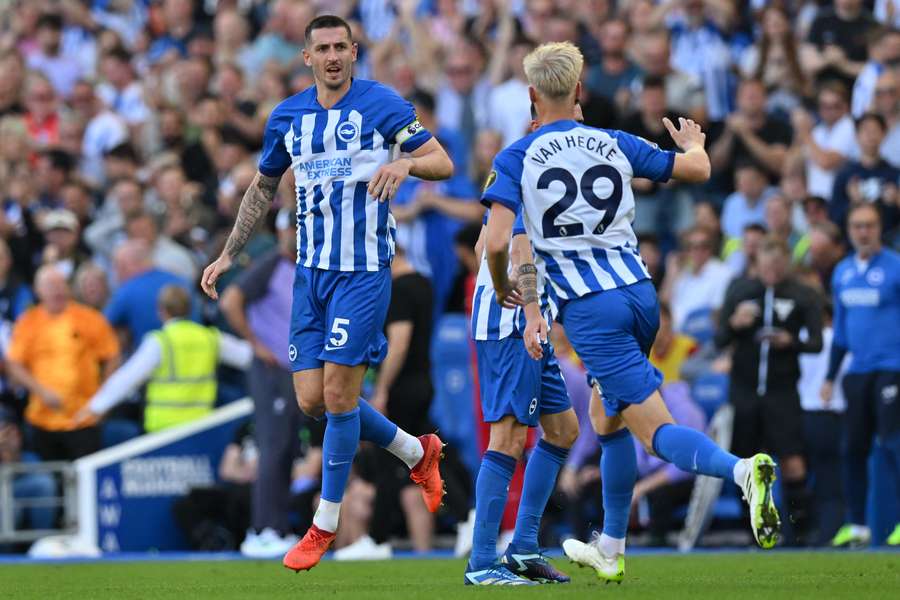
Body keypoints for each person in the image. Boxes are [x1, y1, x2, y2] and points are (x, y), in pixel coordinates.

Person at [483, 42, 781, 585]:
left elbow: (500, 240)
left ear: (531, 96)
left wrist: (508, 289)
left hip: (592, 312)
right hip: (641, 296)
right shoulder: (614, 141)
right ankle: (612, 547)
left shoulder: (518, 156)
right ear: (579, 90)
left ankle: (743, 471)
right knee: (606, 417)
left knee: (655, 432)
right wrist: (692, 143)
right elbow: (696, 169)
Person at [199, 15, 454, 573]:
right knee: (312, 401)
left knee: (339, 398)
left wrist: (406, 162)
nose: (333, 55)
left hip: (362, 273)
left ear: (354, 52)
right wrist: (227, 254)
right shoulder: (287, 117)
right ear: (308, 57)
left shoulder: (381, 103)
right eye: (323, 48)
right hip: (309, 278)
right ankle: (417, 450)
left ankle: (324, 523)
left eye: (342, 46)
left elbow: (444, 161)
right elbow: (262, 190)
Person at [464, 167, 579, 582]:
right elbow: (517, 250)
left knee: (563, 429)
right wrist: (531, 313)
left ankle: (524, 548)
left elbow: (482, 243)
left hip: (532, 318)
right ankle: (481, 563)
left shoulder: (514, 175)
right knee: (508, 438)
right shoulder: (531, 170)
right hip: (513, 320)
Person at [715, 236, 824, 544]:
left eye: (777, 266)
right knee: (746, 464)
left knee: (791, 461)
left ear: (786, 264)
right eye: (766, 267)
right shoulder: (740, 290)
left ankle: (801, 531)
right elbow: (720, 339)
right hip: (744, 390)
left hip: (782, 391)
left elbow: (816, 342)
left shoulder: (803, 295)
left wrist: (792, 342)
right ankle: (755, 535)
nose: (771, 273)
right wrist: (735, 324)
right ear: (757, 264)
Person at [220, 209, 303, 558]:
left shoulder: (303, 269)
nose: (297, 235)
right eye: (293, 228)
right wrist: (256, 344)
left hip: (294, 370)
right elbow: (230, 300)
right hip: (271, 370)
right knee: (272, 445)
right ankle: (262, 528)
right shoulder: (271, 264)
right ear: (283, 232)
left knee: (285, 448)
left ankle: (278, 526)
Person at [824, 204, 900, 548]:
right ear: (850, 230)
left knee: (893, 443)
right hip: (857, 371)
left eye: (869, 226)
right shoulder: (842, 272)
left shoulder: (896, 268)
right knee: (852, 447)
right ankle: (857, 524)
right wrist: (829, 377)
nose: (863, 232)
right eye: (857, 226)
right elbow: (840, 332)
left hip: (892, 367)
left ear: (879, 228)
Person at [77, 285, 251, 433]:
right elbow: (249, 356)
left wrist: (93, 408)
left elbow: (128, 378)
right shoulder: (210, 338)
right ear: (190, 309)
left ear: (162, 311)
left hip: (163, 429)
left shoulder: (160, 342)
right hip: (200, 426)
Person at [5, 266, 120, 461]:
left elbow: (112, 356)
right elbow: (14, 363)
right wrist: (41, 391)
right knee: (52, 479)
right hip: (42, 417)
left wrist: (104, 399)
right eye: (50, 285)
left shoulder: (90, 318)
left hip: (84, 417)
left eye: (61, 284)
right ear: (38, 290)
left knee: (84, 477)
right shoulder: (28, 322)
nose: (57, 290)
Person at [104, 240, 192, 350]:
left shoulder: (127, 291)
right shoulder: (181, 282)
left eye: (118, 266)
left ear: (131, 265)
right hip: (194, 354)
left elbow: (102, 326)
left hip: (151, 360)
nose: (116, 274)